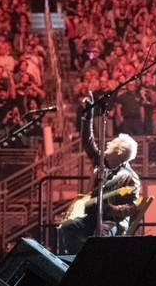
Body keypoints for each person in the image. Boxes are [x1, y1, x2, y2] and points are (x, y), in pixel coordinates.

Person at [58, 94, 141, 254]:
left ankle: (94, 264)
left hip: (112, 222)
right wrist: (87, 117)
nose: (107, 152)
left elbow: (132, 207)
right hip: (91, 215)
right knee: (68, 226)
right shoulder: (102, 161)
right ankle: (77, 260)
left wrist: (112, 209)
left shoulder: (131, 178)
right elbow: (87, 141)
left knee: (100, 236)